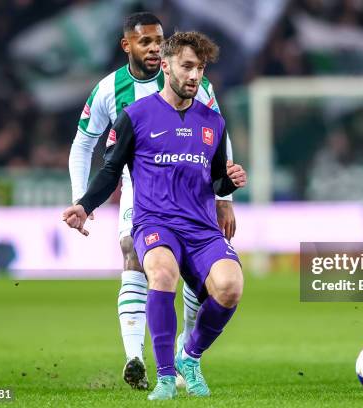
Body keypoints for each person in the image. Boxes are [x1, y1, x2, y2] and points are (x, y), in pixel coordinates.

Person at [63, 31, 246, 400]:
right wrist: (85, 204)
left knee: (230, 287)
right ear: (166, 66)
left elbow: (213, 179)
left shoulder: (213, 122)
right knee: (162, 274)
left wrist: (228, 183)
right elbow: (111, 170)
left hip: (201, 227)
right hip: (155, 223)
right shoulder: (134, 117)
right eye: (187, 66)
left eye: (201, 68)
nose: (195, 76)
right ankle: (164, 377)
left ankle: (189, 358)